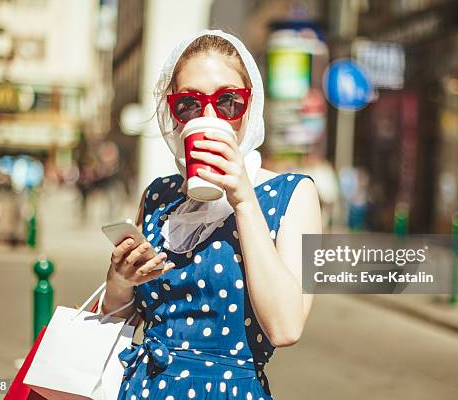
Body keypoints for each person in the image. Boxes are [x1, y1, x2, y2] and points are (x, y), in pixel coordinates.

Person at [100, 30, 322, 400]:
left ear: (251, 107)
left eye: (228, 101)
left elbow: (286, 328)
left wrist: (243, 200)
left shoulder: (292, 194)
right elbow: (121, 320)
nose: (207, 115)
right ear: (173, 113)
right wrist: (121, 281)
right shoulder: (159, 195)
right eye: (187, 103)